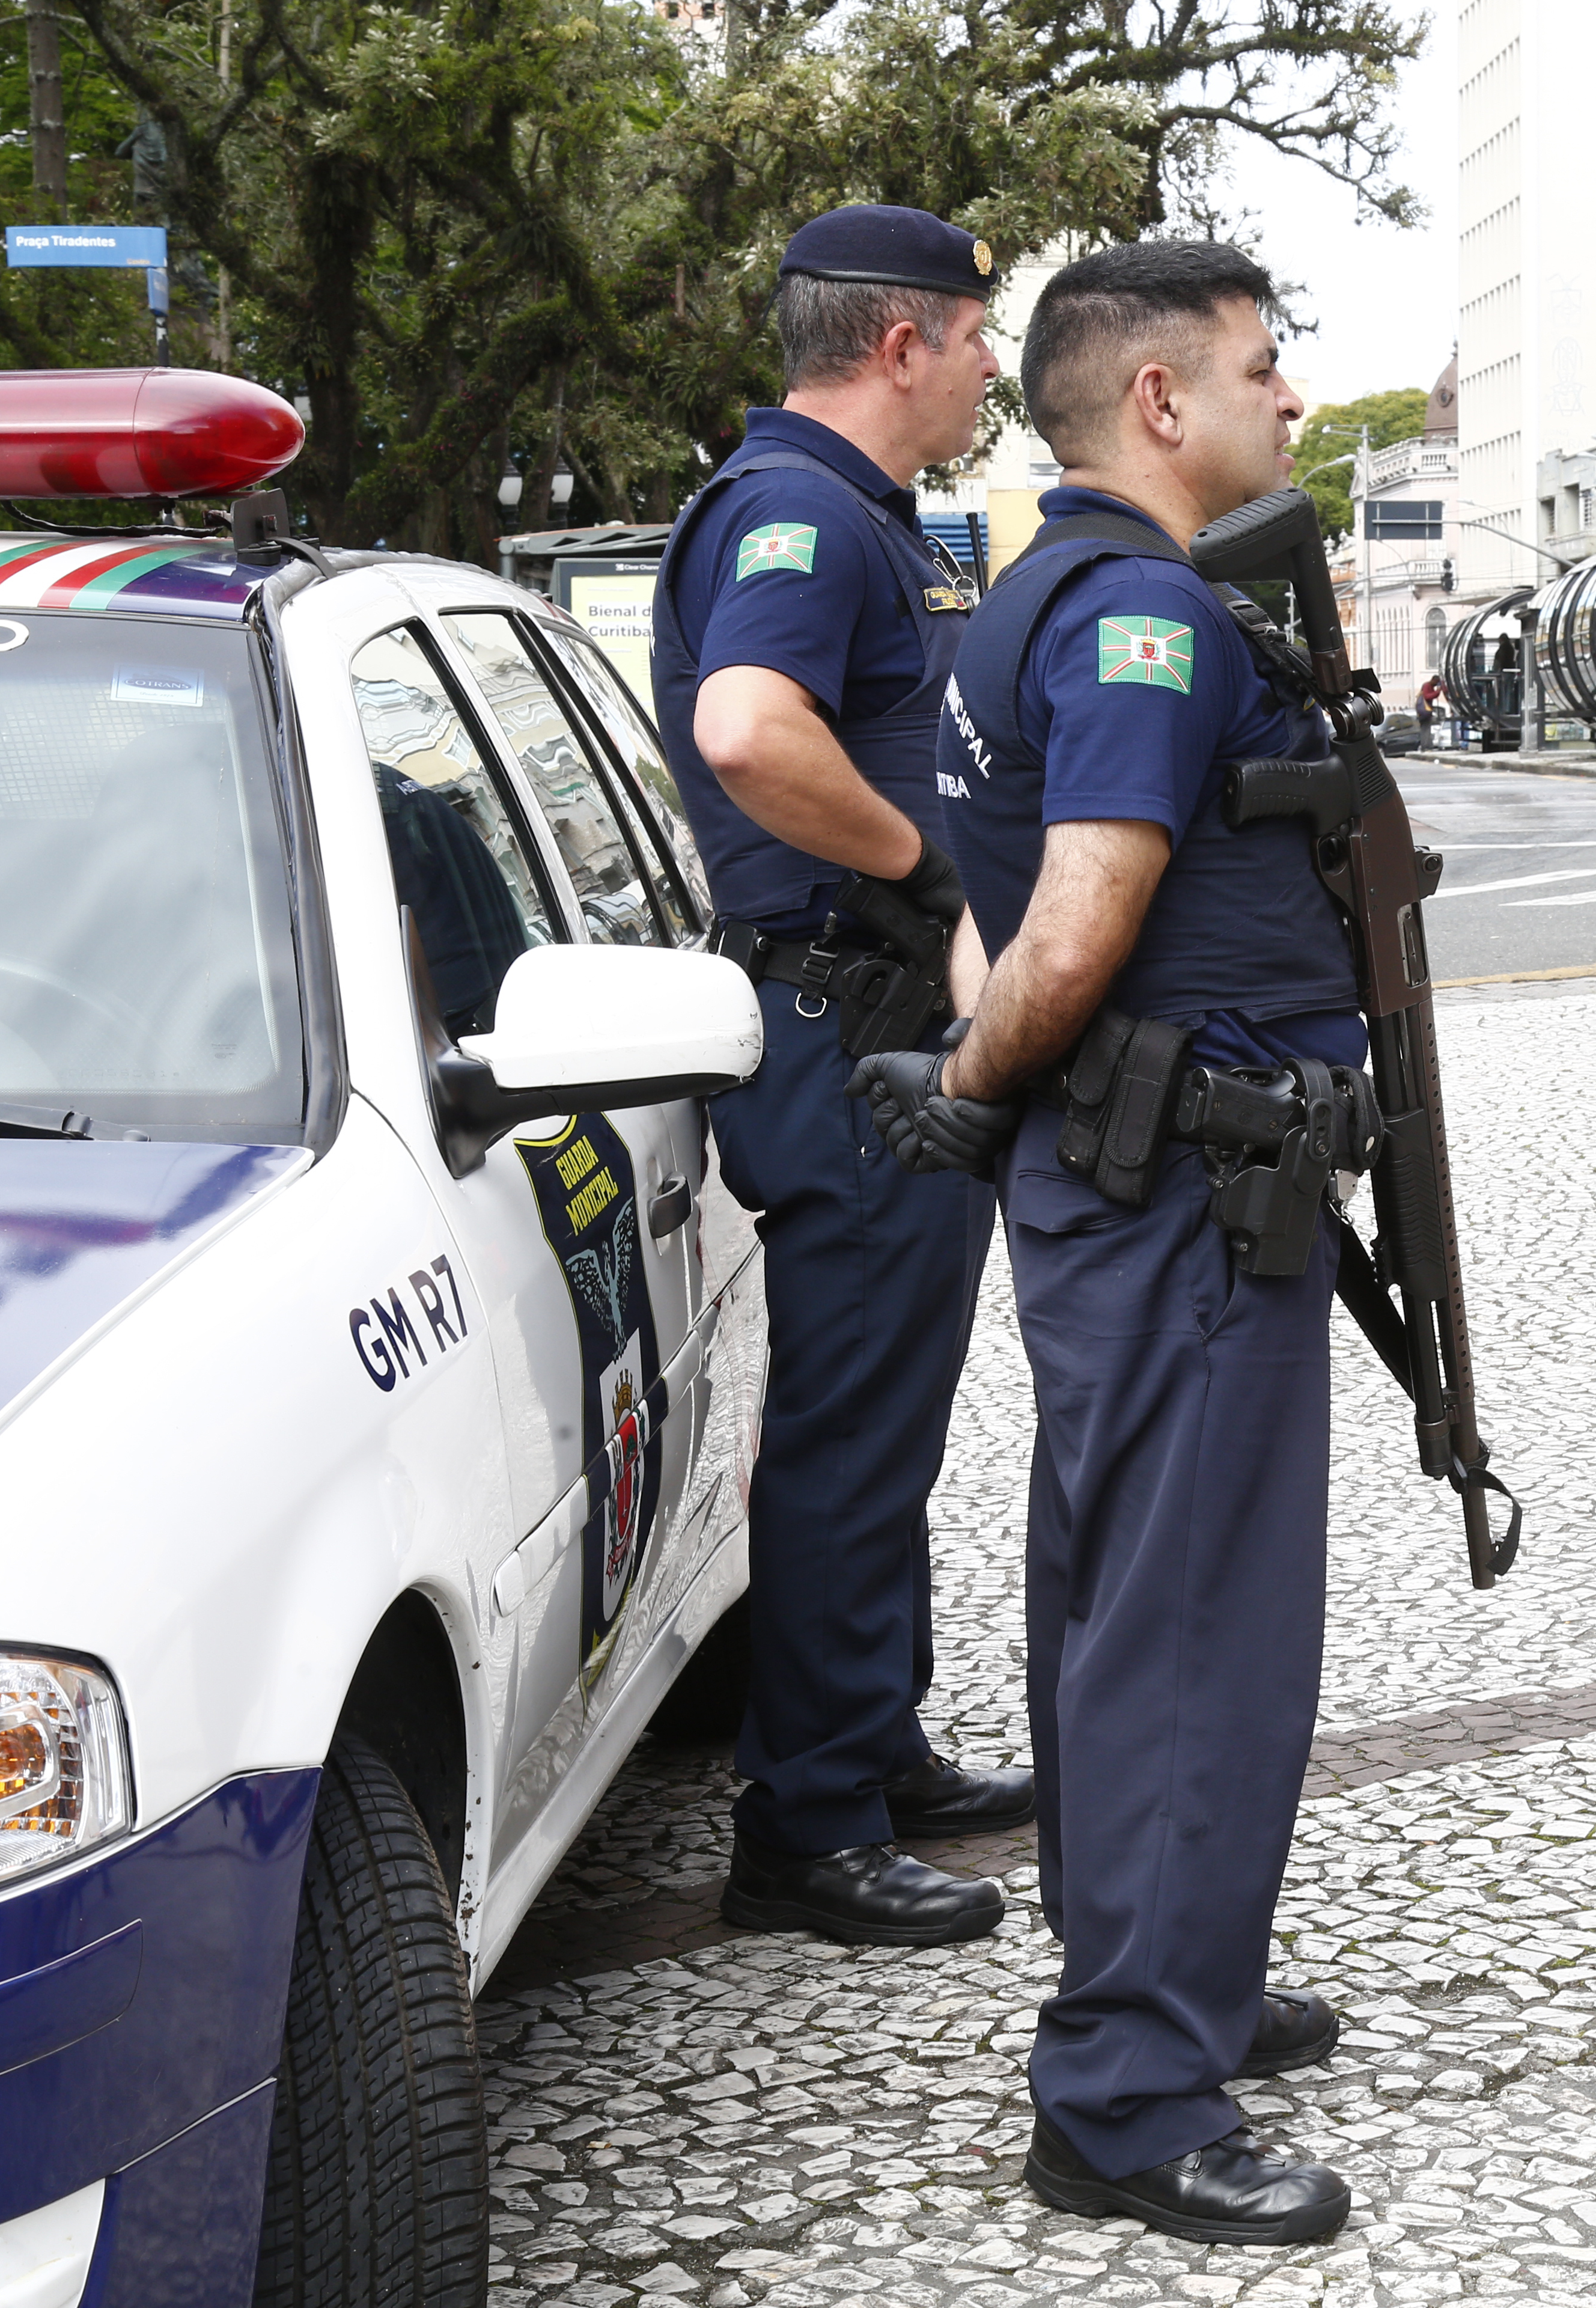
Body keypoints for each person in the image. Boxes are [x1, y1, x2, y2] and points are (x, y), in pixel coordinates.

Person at [864, 239, 1357, 2248]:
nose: (1291, 403)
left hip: (1131, 1184)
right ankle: (1131, 2091)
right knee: (1190, 1629)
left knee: (1115, 1600)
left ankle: (1181, 1968)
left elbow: (998, 914)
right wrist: (981, 1083)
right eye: (1261, 369)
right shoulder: (1148, 615)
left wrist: (996, 1084)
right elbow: (1064, 932)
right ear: (1160, 401)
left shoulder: (1023, 606)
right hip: (1187, 1193)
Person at [648, 204, 1031, 1946]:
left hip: (873, 1015)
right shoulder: (802, 512)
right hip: (849, 1018)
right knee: (850, 1433)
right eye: (975, 334)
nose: (990, 366)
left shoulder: (852, 509)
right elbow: (748, 729)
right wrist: (927, 876)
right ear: (902, 343)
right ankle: (805, 1825)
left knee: (887, 1418)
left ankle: (869, 1746)